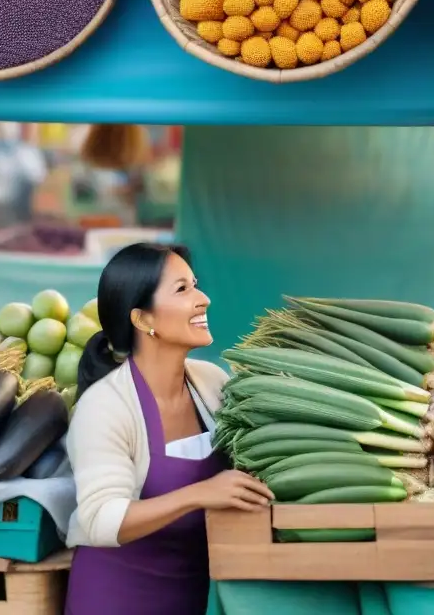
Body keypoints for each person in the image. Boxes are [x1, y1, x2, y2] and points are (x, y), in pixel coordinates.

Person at [64, 243, 273, 615]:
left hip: (197, 593)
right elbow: (100, 520)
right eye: (183, 289)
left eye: (195, 285)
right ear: (143, 320)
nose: (203, 299)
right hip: (117, 598)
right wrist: (200, 493)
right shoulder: (105, 407)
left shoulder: (211, 383)